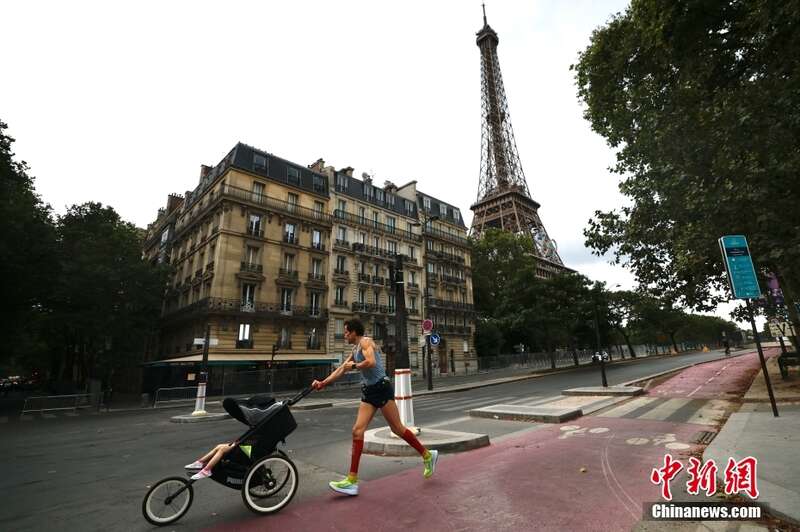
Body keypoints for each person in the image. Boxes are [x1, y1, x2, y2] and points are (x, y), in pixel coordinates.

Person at [311, 318, 438, 496]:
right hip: (369, 391)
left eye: (347, 331)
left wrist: (354, 365)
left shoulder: (366, 342)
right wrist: (323, 383)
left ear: (355, 332)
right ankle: (352, 481)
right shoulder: (355, 349)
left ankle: (427, 455)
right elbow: (341, 369)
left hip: (381, 388)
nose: (345, 334)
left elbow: (370, 362)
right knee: (357, 431)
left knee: (398, 428)